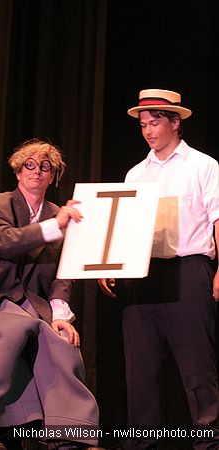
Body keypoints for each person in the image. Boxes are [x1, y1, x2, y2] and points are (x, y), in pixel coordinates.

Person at [0, 138, 103, 450]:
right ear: (18, 171)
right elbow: (4, 241)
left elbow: (62, 270)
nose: (37, 172)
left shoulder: (58, 214)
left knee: (62, 339)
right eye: (30, 165)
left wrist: (58, 315)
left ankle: (70, 434)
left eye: (45, 167)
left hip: (32, 305)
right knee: (16, 327)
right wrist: (55, 225)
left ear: (53, 176)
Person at [99, 89, 219, 449]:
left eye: (155, 123)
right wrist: (111, 262)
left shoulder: (203, 165)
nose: (148, 130)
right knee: (141, 370)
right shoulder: (135, 174)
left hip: (188, 271)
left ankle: (208, 443)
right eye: (143, 124)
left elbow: (218, 219)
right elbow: (125, 224)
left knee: (197, 369)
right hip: (142, 274)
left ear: (175, 122)